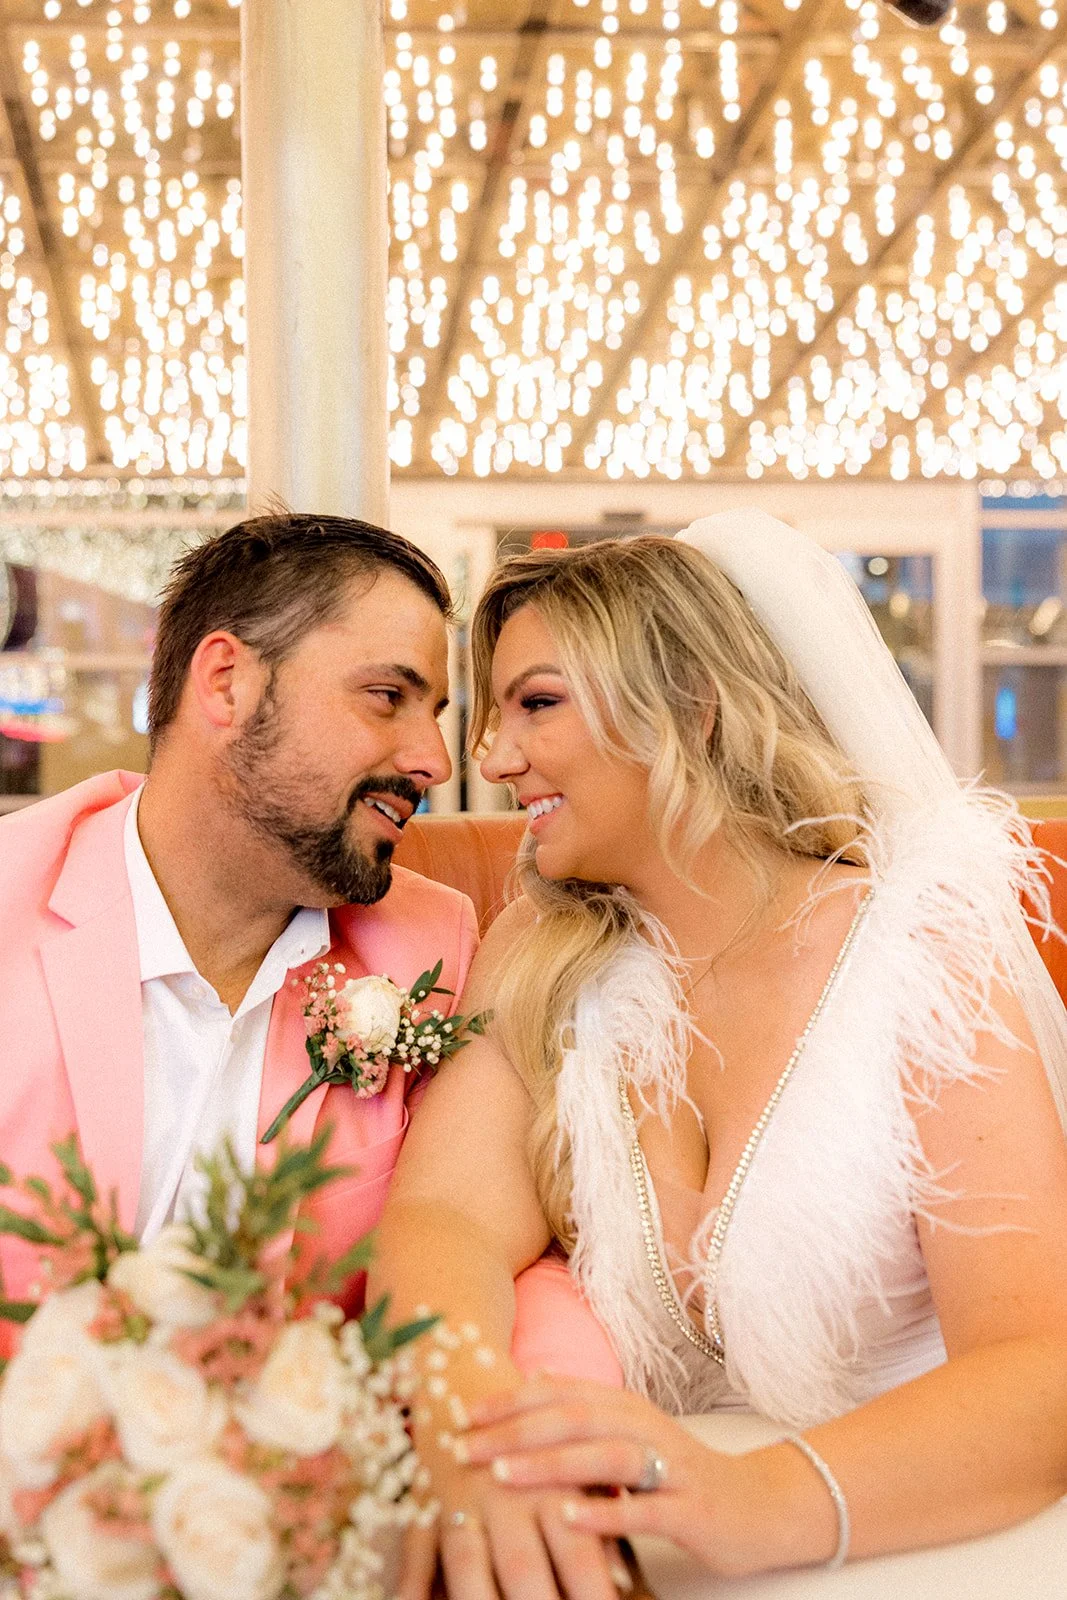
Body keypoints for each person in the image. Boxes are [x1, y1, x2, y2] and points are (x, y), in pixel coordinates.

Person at [373, 509, 1067, 1597]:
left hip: (934, 1537)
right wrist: (464, 1413)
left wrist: (757, 1500)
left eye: (537, 704)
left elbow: (1038, 1372)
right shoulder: (543, 955)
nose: (492, 759)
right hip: (669, 1554)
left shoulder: (918, 946)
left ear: (690, 708)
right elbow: (443, 1219)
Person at [0, 511, 472, 1337]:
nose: (433, 759)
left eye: (433, 710)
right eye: (387, 698)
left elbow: (488, 1238)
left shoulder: (436, 947)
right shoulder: (13, 897)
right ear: (226, 682)